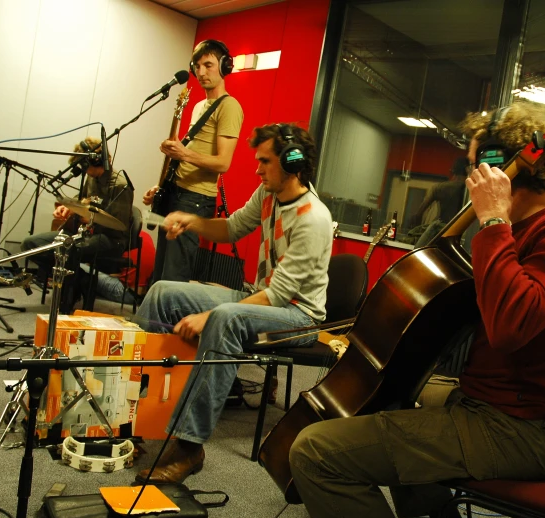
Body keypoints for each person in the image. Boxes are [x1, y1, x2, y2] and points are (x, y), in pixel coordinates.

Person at [288, 102, 545, 518]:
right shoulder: (520, 229)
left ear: (502, 167)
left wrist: (492, 218)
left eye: (476, 166)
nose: (470, 177)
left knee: (314, 451)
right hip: (484, 402)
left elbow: (511, 327)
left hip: (517, 427)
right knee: (392, 401)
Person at [134, 123, 333, 484]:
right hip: (260, 299)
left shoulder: (314, 219)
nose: (257, 169)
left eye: (265, 161)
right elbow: (232, 228)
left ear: (293, 163)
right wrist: (193, 221)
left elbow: (278, 295)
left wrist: (207, 316)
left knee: (225, 317)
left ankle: (189, 447)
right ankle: (134, 410)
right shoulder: (268, 194)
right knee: (164, 289)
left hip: (298, 317)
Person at [143, 39, 244, 284]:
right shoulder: (200, 105)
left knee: (173, 277)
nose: (200, 72)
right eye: (196, 66)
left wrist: (183, 154)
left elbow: (223, 163)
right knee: (161, 274)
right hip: (176, 192)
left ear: (224, 66)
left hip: (195, 199)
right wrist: (162, 187)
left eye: (208, 65)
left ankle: (164, 322)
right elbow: (187, 154)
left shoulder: (229, 106)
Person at [22, 137, 133, 313]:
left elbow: (118, 226)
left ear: (95, 160)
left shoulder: (120, 185)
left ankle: (67, 299)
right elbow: (82, 201)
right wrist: (68, 208)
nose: (82, 170)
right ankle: (82, 279)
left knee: (70, 248)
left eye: (84, 165)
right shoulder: (91, 178)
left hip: (111, 240)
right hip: (87, 233)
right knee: (30, 244)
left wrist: (89, 218)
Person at [411, 156, 469, 247]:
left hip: (441, 228)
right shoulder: (470, 190)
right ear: (468, 171)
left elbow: (419, 213)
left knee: (417, 252)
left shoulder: (440, 188)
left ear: (453, 170)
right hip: (461, 232)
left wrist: (415, 229)